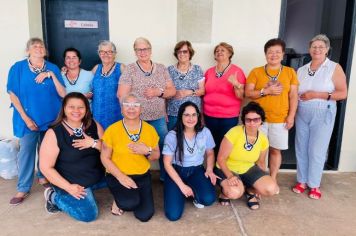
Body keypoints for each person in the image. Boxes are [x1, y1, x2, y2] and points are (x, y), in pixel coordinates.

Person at [6, 37, 66, 205]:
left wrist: (51, 75)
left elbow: (62, 94)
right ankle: (23, 187)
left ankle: (43, 176)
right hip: (27, 120)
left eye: (41, 46)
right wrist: (26, 119)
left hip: (51, 119)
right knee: (26, 152)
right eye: (35, 46)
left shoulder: (52, 68)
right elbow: (12, 94)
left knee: (47, 150)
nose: (39, 48)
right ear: (28, 51)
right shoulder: (18, 68)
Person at [292, 34, 347, 199]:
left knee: (317, 149)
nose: (317, 50)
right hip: (302, 112)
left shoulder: (334, 67)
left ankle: (314, 184)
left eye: (321, 47)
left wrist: (317, 94)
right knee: (301, 147)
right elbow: (294, 91)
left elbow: (342, 93)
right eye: (314, 47)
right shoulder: (301, 70)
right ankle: (301, 181)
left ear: (327, 50)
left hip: (323, 112)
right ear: (309, 49)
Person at [39, 92, 105, 222]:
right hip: (71, 182)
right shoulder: (53, 133)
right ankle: (53, 196)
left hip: (98, 176)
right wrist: (69, 187)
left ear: (86, 109)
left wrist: (93, 143)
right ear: (64, 108)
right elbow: (45, 167)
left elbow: (108, 149)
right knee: (88, 215)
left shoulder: (93, 124)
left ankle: (90, 189)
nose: (76, 111)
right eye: (71, 107)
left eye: (81, 107)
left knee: (123, 179)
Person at [118, 37, 176, 181]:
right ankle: (140, 176)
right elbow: (122, 95)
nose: (142, 52)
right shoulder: (130, 69)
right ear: (135, 51)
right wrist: (128, 115)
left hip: (159, 117)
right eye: (139, 49)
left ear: (150, 50)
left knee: (164, 146)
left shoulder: (161, 68)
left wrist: (159, 92)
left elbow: (172, 91)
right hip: (137, 119)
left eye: (145, 49)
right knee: (136, 148)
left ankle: (166, 176)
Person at [245, 38, 298, 181]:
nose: (273, 55)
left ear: (282, 54)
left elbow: (293, 96)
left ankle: (273, 178)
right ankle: (260, 179)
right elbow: (248, 93)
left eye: (277, 52)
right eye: (270, 52)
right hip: (258, 120)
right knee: (258, 151)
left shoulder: (290, 72)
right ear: (265, 54)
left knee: (275, 150)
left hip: (280, 119)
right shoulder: (256, 72)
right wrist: (265, 91)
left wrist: (291, 116)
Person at [101, 93, 160, 222]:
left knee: (145, 215)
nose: (131, 108)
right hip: (118, 175)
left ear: (141, 109)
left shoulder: (150, 129)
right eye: (127, 105)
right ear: (121, 109)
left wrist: (147, 150)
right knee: (129, 204)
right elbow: (104, 158)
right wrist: (121, 177)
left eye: (135, 105)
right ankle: (118, 200)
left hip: (142, 175)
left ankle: (132, 195)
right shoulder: (112, 130)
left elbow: (156, 155)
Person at [215, 102, 279, 210]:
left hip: (247, 168)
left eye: (256, 119)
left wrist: (259, 185)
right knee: (234, 193)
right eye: (248, 119)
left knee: (271, 189)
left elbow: (261, 162)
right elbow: (221, 159)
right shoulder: (234, 132)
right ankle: (225, 192)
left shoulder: (263, 139)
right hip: (227, 167)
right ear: (244, 120)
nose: (252, 123)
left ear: (261, 121)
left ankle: (250, 191)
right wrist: (230, 176)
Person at [163, 101, 217, 221]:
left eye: (193, 115)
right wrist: (182, 186)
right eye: (186, 115)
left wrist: (209, 169)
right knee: (173, 215)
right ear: (180, 116)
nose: (190, 118)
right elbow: (167, 164)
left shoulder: (205, 132)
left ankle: (193, 194)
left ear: (198, 116)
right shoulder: (172, 136)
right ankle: (180, 192)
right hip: (176, 171)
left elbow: (210, 153)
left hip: (196, 170)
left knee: (208, 199)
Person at [203, 42, 246, 156]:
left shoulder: (237, 71)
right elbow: (204, 93)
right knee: (212, 145)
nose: (219, 52)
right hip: (209, 115)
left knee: (225, 146)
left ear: (229, 53)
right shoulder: (209, 72)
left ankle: (223, 171)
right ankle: (214, 171)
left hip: (228, 117)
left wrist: (236, 84)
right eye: (217, 51)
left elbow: (241, 96)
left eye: (223, 50)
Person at [166, 41, 205, 130]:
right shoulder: (169, 70)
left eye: (185, 51)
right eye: (179, 52)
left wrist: (188, 92)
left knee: (192, 140)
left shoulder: (197, 69)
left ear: (190, 53)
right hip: (173, 113)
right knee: (173, 139)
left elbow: (202, 91)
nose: (182, 54)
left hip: (193, 115)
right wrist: (164, 111)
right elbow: (165, 92)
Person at [92, 40, 124, 129]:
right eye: (102, 51)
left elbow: (130, 89)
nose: (105, 54)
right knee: (100, 139)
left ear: (114, 53)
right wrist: (65, 71)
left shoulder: (121, 68)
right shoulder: (96, 68)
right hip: (98, 114)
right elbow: (88, 86)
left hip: (116, 113)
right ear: (99, 54)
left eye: (109, 52)